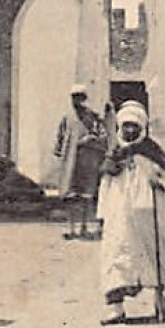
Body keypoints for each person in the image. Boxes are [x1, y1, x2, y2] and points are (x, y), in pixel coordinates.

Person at [97, 101, 165, 324]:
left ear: (142, 127)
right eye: (125, 125)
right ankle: (116, 309)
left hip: (149, 214)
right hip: (119, 214)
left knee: (150, 256)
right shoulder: (114, 152)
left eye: (134, 126)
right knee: (115, 256)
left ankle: (159, 300)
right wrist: (102, 213)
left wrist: (160, 181)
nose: (129, 131)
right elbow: (104, 184)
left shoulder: (152, 151)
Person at [53, 85, 109, 238]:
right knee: (70, 196)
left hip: (87, 161)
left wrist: (90, 139)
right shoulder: (67, 117)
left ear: (84, 98)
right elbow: (60, 139)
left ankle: (84, 227)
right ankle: (70, 228)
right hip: (70, 161)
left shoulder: (93, 117)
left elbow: (103, 137)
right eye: (73, 97)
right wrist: (61, 153)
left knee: (86, 196)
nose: (76, 100)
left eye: (79, 96)